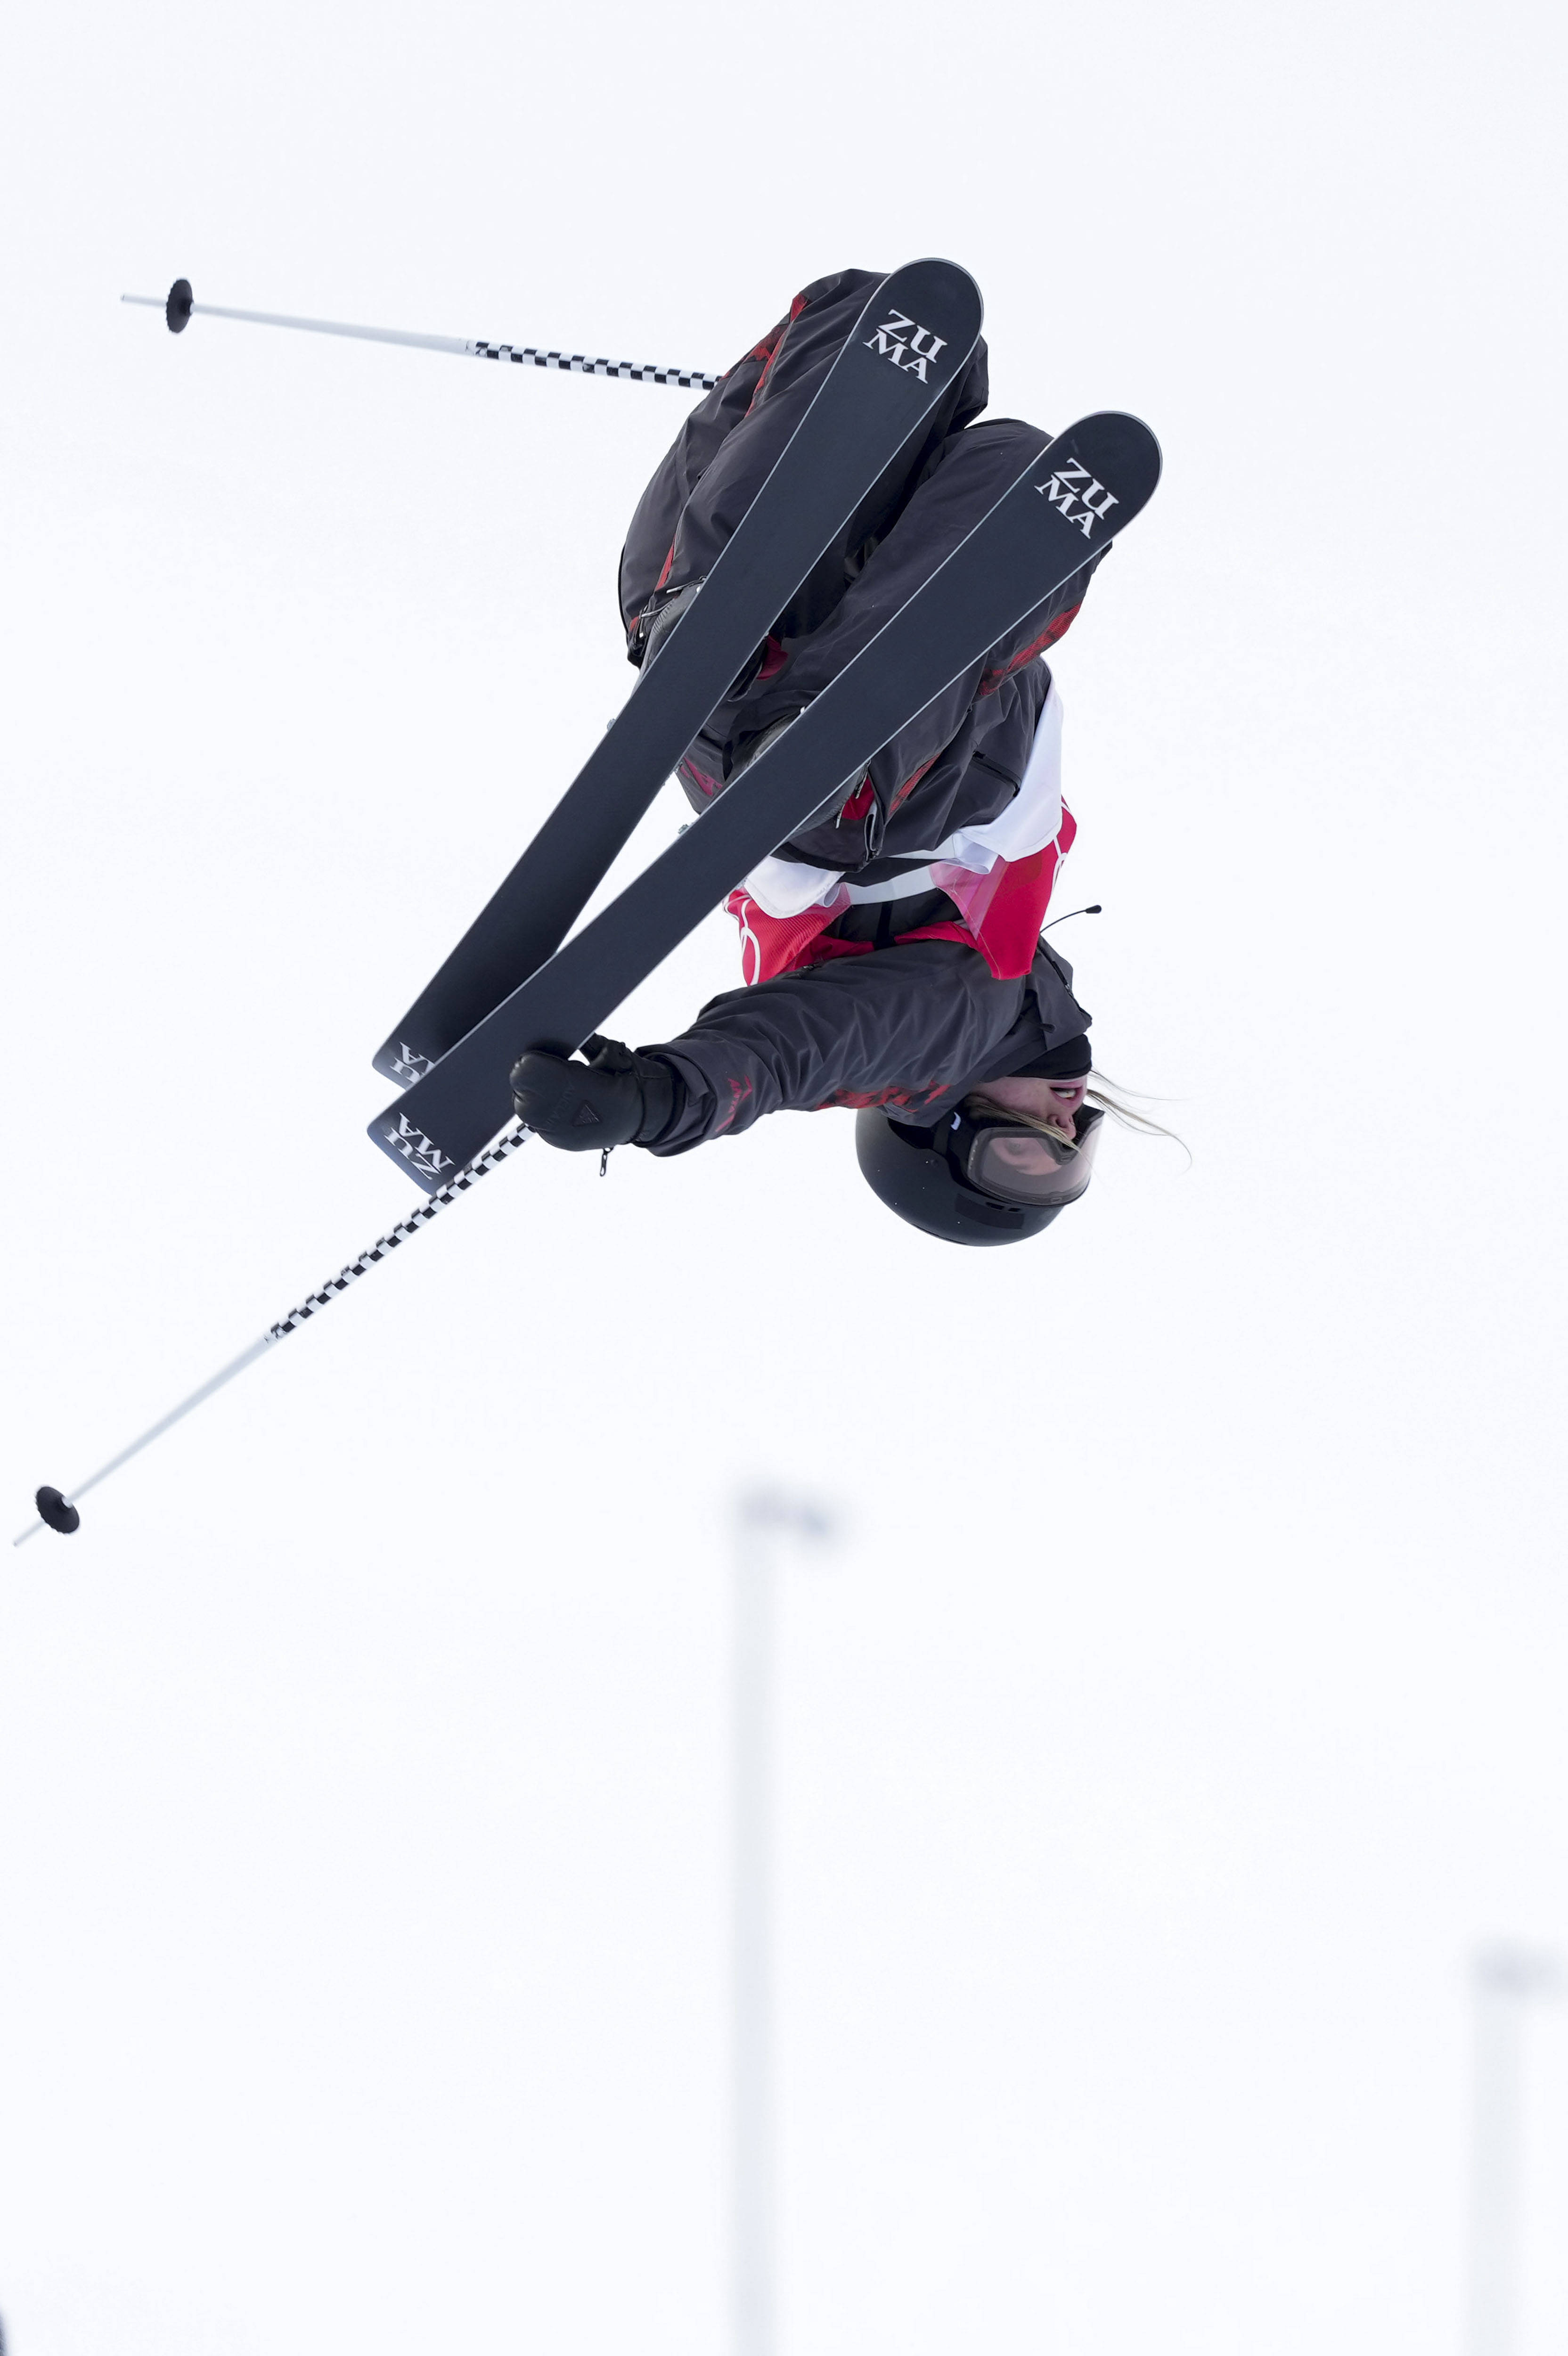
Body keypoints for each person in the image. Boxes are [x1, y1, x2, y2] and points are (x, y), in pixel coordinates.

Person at [511, 266, 1121, 1246]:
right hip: (723, 692)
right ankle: (739, 668)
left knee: (1010, 482)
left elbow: (809, 1049)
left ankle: (787, 714)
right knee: (914, 353)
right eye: (1075, 1152)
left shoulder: (950, 1030)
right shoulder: (996, 933)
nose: (1064, 1123)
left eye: (1021, 1155)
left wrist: (666, 1099)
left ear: (930, 1124)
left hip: (836, 796)